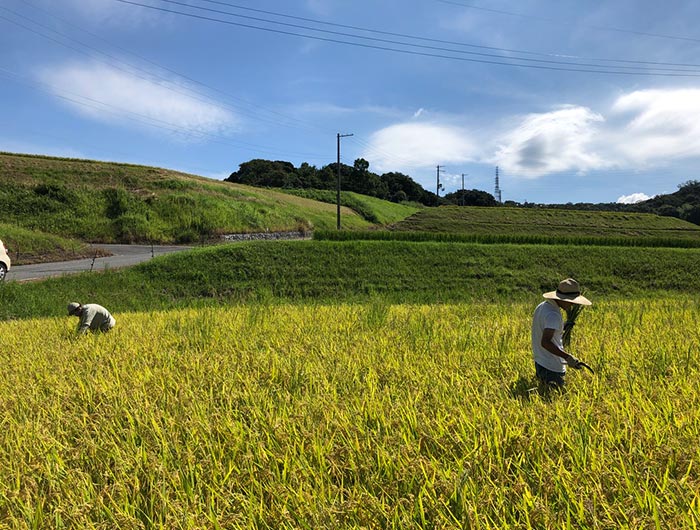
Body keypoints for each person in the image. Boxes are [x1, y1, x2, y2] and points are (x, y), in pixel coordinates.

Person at [531, 278, 591, 387]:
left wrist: (562, 327)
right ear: (563, 299)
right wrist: (567, 357)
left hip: (540, 362)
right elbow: (545, 342)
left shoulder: (542, 306)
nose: (572, 305)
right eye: (571, 301)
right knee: (553, 399)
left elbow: (546, 329)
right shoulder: (553, 315)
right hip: (551, 367)